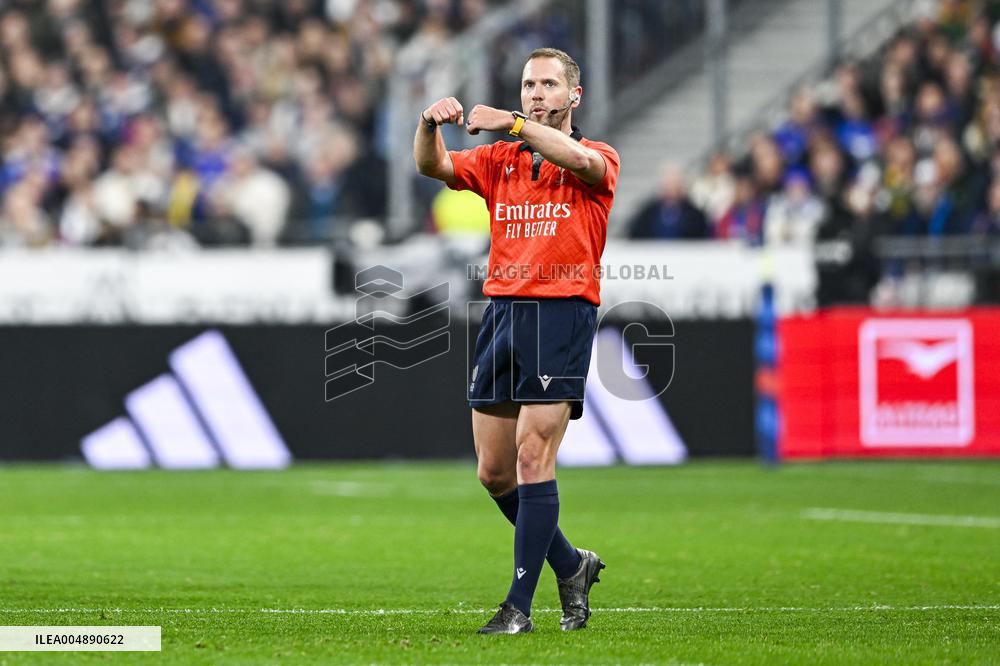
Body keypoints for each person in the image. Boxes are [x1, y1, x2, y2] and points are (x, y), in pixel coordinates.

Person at [413, 47, 619, 635]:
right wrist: (428, 125)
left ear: (572, 96)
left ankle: (518, 609)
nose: (535, 93)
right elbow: (435, 168)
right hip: (503, 312)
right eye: (529, 85)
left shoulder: (597, 155)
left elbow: (579, 159)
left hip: (561, 313)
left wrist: (515, 123)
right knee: (495, 472)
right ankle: (572, 565)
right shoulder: (501, 159)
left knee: (533, 457)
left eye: (548, 85)